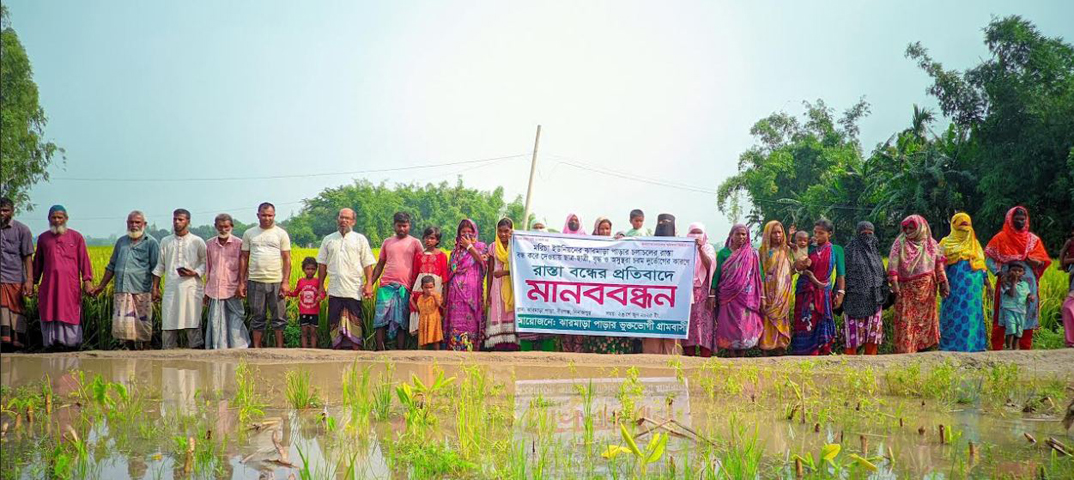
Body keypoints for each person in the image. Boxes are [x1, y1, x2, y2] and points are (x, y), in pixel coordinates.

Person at [984, 206, 1052, 350]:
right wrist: (1000, 274)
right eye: (1017, 219)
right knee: (1003, 314)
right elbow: (989, 260)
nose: (1020, 222)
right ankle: (997, 348)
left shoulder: (1033, 240)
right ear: (1010, 220)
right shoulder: (1000, 238)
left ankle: (1025, 348)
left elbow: (1042, 261)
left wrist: (1033, 261)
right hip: (1006, 282)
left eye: (1023, 219)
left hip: (1027, 283)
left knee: (1027, 313)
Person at [93, 211, 160, 350]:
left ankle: (145, 351)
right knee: (125, 325)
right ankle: (129, 350)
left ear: (144, 224)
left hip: (141, 289)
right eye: (131, 222)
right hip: (122, 288)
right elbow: (111, 266)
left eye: (137, 222)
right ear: (127, 223)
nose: (134, 225)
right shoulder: (121, 242)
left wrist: (155, 288)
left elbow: (156, 268)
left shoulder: (151, 243)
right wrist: (101, 286)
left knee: (143, 323)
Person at [33, 205, 93, 351]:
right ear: (49, 219)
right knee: (50, 310)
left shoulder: (76, 237)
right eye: (54, 217)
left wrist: (87, 280)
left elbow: (84, 260)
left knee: (69, 311)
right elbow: (38, 263)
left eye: (60, 217)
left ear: (66, 219)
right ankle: (51, 343)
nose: (57, 220)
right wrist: (32, 281)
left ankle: (71, 343)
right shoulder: (43, 238)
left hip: (69, 285)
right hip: (49, 286)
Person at [887, 215, 949, 354]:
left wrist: (943, 282)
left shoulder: (931, 244)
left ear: (920, 228)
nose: (908, 231)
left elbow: (939, 265)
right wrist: (894, 283)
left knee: (926, 321)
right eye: (906, 228)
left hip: (926, 290)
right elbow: (893, 263)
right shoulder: (900, 243)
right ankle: (906, 351)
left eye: (911, 228)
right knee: (906, 320)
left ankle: (925, 350)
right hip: (906, 289)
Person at [316, 208, 376, 350]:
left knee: (355, 323)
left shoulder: (360, 239)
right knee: (335, 323)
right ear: (338, 219)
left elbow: (367, 263)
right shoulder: (328, 239)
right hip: (335, 290)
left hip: (354, 290)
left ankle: (356, 354)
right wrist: (320, 286)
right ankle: (337, 354)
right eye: (341, 217)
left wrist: (369, 284)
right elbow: (322, 264)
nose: (344, 220)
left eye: (347, 218)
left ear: (353, 221)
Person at [152, 209, 207, 349]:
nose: (177, 222)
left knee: (193, 320)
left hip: (192, 287)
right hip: (172, 288)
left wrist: (194, 272)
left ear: (188, 221)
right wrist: (155, 288)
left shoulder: (197, 241)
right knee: (169, 320)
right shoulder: (166, 241)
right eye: (175, 219)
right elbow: (160, 265)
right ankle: (167, 352)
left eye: (180, 219)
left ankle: (196, 353)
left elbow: (206, 262)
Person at [369, 212, 423, 350]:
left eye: (404, 226)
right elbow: (380, 264)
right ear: (394, 226)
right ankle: (380, 350)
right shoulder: (387, 242)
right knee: (380, 320)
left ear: (409, 226)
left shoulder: (415, 243)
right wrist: (369, 284)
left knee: (401, 322)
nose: (402, 229)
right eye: (399, 226)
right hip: (386, 286)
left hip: (404, 288)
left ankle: (400, 351)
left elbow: (422, 264)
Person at [790, 219, 844, 356]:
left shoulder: (836, 250)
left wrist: (841, 293)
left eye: (821, 233)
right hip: (805, 292)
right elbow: (795, 268)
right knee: (804, 322)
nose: (817, 235)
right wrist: (799, 264)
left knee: (821, 322)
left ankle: (821, 352)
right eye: (815, 232)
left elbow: (841, 274)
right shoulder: (808, 248)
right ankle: (802, 353)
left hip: (823, 293)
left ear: (829, 234)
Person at [241, 202, 292, 348]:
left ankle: (280, 347)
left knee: (279, 317)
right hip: (255, 281)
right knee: (257, 316)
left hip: (276, 280)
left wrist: (286, 282)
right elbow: (244, 257)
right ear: (258, 215)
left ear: (274, 216)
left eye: (270, 215)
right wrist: (242, 282)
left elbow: (287, 258)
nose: (267, 218)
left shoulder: (281, 234)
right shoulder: (249, 233)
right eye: (263, 215)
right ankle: (256, 347)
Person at [581, 218, 634, 354]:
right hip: (595, 293)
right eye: (602, 229)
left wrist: (622, 242)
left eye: (607, 229)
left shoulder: (618, 244)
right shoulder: (590, 245)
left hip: (614, 293)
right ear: (596, 230)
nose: (605, 232)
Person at [937, 213, 988, 352]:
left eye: (967, 227)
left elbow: (981, 264)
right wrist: (941, 282)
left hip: (973, 288)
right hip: (952, 285)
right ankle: (950, 346)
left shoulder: (974, 244)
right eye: (961, 227)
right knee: (952, 313)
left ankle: (973, 346)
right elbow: (938, 264)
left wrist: (987, 283)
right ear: (953, 226)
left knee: (971, 314)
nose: (964, 231)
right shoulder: (944, 243)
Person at [713, 224, 764, 357]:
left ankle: (741, 354)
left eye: (744, 234)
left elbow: (759, 276)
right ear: (731, 236)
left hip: (746, 297)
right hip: (727, 297)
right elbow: (717, 275)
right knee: (728, 325)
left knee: (743, 324)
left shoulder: (752, 254)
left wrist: (762, 297)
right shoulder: (723, 253)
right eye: (738, 234)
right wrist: (712, 294)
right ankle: (731, 353)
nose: (741, 237)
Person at [203, 213, 249, 349]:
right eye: (220, 227)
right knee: (216, 321)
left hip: (233, 288)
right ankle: (218, 349)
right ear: (215, 226)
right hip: (215, 289)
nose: (223, 229)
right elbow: (208, 267)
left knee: (236, 320)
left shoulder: (239, 244)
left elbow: (245, 268)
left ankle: (239, 348)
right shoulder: (210, 244)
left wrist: (243, 285)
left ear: (232, 227)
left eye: (226, 227)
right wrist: (206, 291)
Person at [842, 221, 887, 355]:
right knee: (852, 335)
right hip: (854, 300)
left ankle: (870, 364)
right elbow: (842, 275)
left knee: (872, 335)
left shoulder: (875, 252)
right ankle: (850, 365)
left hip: (874, 299)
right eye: (863, 234)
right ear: (857, 234)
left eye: (870, 234)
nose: (867, 236)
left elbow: (882, 274)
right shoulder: (849, 251)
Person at [444, 219, 486, 351]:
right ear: (458, 234)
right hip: (455, 292)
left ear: (475, 232)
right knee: (456, 319)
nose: (467, 234)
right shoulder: (454, 252)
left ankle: (470, 346)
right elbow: (450, 270)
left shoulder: (480, 247)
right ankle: (454, 347)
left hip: (472, 293)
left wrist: (469, 246)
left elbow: (483, 263)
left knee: (471, 319)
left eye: (470, 231)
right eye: (463, 232)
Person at [642, 213, 681, 354]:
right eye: (661, 224)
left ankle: (672, 368)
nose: (664, 227)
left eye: (667, 224)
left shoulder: (682, 248)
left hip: (673, 296)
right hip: (652, 297)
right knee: (652, 331)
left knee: (671, 333)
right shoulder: (648, 247)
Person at [0, 197, 34, 350]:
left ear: (12, 212)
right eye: (0, 210)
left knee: (16, 312)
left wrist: (29, 280)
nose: (2, 213)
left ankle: (17, 343)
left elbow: (27, 257)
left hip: (15, 278)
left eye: (5, 210)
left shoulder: (23, 230)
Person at [758, 220, 793, 354]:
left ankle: (781, 348)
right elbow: (760, 272)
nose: (777, 235)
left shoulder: (787, 250)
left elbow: (793, 268)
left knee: (782, 319)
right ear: (767, 234)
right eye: (774, 233)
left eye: (779, 232)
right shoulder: (762, 251)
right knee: (766, 317)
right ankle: (765, 350)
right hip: (768, 290)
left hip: (783, 292)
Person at [683, 223, 717, 357]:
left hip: (704, 294)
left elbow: (709, 266)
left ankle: (705, 356)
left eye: (699, 232)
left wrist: (700, 249)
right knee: (689, 326)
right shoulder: (683, 248)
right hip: (687, 293)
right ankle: (689, 356)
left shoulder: (708, 248)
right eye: (693, 232)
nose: (696, 236)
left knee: (705, 326)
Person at [484, 217, 519, 350]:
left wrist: (504, 273)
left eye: (506, 231)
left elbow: (520, 269)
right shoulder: (493, 247)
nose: (503, 234)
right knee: (497, 314)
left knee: (510, 314)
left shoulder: (516, 245)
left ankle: (511, 346)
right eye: (500, 231)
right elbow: (490, 271)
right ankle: (499, 346)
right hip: (497, 287)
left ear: (512, 231)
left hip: (512, 286)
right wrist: (488, 294)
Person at [409, 226, 448, 340]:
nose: (429, 241)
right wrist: (411, 291)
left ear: (437, 240)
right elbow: (415, 274)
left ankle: (433, 341)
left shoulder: (442, 256)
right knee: (420, 312)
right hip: (419, 288)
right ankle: (420, 341)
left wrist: (444, 297)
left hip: (435, 288)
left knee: (433, 313)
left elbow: (445, 277)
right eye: (426, 237)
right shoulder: (419, 255)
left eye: (432, 238)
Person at [558, 213, 588, 352]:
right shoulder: (559, 239)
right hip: (564, 286)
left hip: (583, 287)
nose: (573, 222)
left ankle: (578, 352)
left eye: (576, 220)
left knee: (580, 318)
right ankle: (566, 352)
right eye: (571, 220)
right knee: (565, 317)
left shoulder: (589, 239)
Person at [289, 257, 323, 348]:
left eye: (313, 269)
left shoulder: (318, 282)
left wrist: (320, 297)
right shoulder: (301, 281)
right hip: (303, 311)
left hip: (314, 311)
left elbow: (323, 293)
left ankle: (313, 350)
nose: (310, 271)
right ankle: (304, 350)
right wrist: (286, 293)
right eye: (308, 269)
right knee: (303, 332)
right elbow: (295, 293)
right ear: (303, 269)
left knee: (313, 332)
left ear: (316, 270)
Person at [999, 264, 1034, 350]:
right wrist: (1013, 282)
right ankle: (1008, 347)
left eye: (1019, 271)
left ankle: (1015, 349)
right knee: (1011, 328)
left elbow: (1027, 293)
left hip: (1021, 310)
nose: (1016, 272)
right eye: (1014, 270)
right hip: (1009, 309)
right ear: (1008, 272)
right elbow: (1012, 294)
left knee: (1019, 330)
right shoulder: (1005, 283)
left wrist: (1030, 296)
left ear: (1023, 273)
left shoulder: (1025, 284)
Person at [411, 275, 443, 349]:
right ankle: (423, 355)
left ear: (434, 287)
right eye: (426, 287)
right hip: (424, 321)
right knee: (423, 340)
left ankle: (438, 355)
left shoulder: (436, 295)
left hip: (434, 321)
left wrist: (434, 296)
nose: (429, 290)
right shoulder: (421, 298)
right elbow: (418, 309)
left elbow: (438, 304)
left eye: (431, 287)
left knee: (436, 339)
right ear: (422, 288)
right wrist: (412, 301)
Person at [1060, 226, 1074, 348]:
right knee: (1068, 307)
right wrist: (1063, 265)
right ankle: (1070, 340)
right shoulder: (1070, 242)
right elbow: (1063, 256)